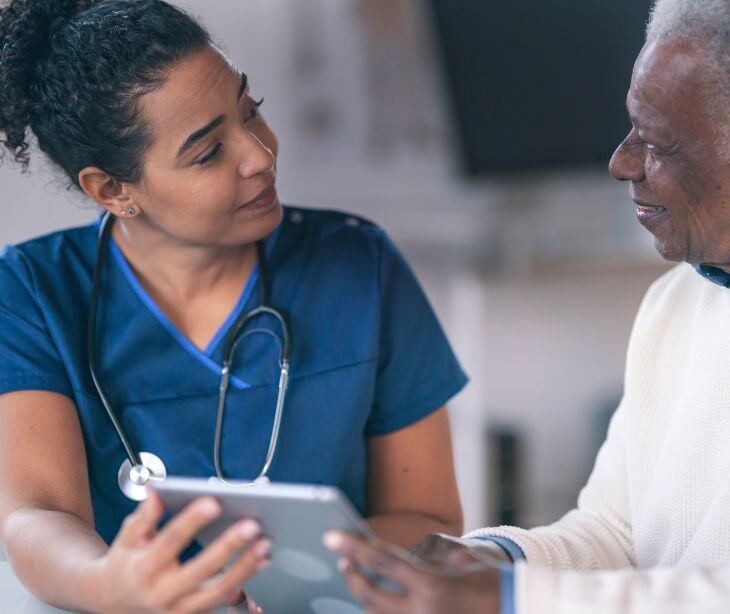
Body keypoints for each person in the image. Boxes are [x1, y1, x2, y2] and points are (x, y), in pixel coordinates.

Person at [0, 0, 467, 611]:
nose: (260, 156)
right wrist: (108, 585)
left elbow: (428, 515)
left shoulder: (359, 265)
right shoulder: (33, 290)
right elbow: (37, 516)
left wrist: (292, 574)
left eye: (252, 113)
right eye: (207, 153)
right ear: (112, 190)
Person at [324, 0, 730, 612]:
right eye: (631, 129)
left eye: (659, 144)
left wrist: (511, 599)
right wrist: (487, 561)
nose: (621, 163)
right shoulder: (676, 301)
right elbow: (615, 533)